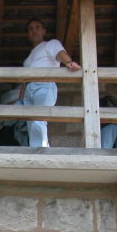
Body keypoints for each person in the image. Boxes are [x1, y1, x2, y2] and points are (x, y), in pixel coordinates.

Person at [14, 18, 81, 147]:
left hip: (43, 86)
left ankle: (42, 150)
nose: (34, 31)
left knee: (38, 120)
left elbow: (60, 54)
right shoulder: (29, 58)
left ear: (44, 31)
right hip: (28, 91)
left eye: (37, 27)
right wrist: (21, 100)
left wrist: (68, 62)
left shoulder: (50, 44)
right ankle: (36, 151)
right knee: (31, 125)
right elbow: (25, 81)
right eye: (30, 29)